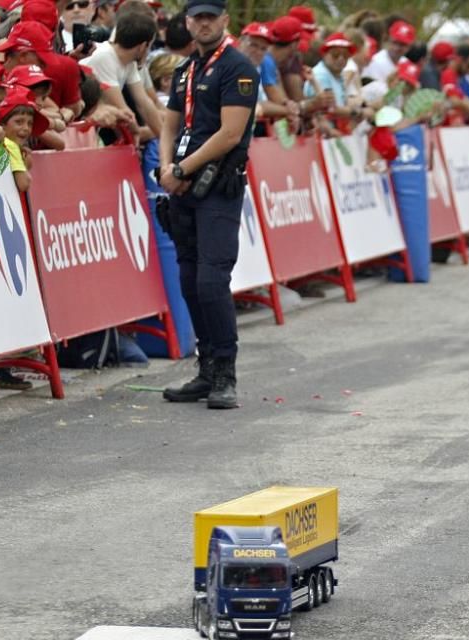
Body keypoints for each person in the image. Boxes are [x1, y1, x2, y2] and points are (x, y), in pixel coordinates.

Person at [158, 0, 259, 409]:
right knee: (188, 279)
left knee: (211, 281)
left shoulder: (238, 67)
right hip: (182, 187)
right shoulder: (184, 68)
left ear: (223, 20)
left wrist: (181, 169)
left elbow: (231, 133)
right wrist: (166, 166)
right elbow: (169, 122)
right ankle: (205, 371)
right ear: (187, 22)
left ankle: (225, 374)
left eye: (209, 17)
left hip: (216, 186)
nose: (202, 24)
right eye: (196, 17)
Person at [80, 11, 162, 138]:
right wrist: (136, 135)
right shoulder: (104, 56)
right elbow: (123, 111)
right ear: (142, 46)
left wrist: (166, 141)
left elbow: (144, 103)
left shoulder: (129, 62)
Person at [0, 84, 49, 192]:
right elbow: (24, 183)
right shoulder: (9, 145)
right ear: (1, 123)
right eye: (19, 122)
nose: (26, 128)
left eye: (30, 123)